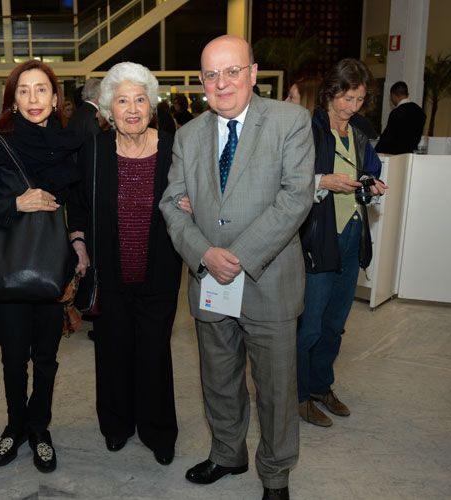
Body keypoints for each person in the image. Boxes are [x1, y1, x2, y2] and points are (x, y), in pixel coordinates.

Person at [160, 35, 315, 500]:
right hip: (210, 281)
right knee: (219, 380)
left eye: (232, 71)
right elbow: (171, 203)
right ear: (202, 81)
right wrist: (205, 254)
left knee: (275, 389)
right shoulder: (188, 135)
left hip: (269, 281)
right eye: (211, 74)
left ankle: (275, 475)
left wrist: (240, 256)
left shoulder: (290, 121)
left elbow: (295, 198)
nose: (221, 83)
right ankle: (228, 453)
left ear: (252, 73)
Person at [0, 60, 82, 474]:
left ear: (55, 98)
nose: (33, 99)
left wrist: (79, 245)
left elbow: (80, 204)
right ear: (12, 99)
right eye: (23, 91)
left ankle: (39, 427)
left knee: (47, 355)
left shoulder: (72, 145)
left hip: (54, 267)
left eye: (41, 90)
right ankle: (14, 425)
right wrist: (16, 203)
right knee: (14, 357)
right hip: (9, 269)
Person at [68, 62, 182, 465]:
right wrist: (79, 246)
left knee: (154, 353)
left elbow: (196, 198)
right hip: (109, 274)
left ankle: (158, 430)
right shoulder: (94, 150)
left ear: (151, 106)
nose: (132, 109)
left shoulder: (174, 148)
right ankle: (116, 425)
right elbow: (79, 206)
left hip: (161, 271)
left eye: (140, 100)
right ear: (106, 109)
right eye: (122, 101)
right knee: (113, 352)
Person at [297, 59, 387, 428]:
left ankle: (321, 385)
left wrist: (371, 187)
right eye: (347, 98)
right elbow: (289, 180)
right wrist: (323, 181)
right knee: (311, 325)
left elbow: (371, 170)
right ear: (331, 93)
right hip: (319, 236)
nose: (352, 107)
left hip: (351, 234)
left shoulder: (360, 131)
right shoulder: (308, 128)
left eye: (360, 99)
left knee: (335, 322)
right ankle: (297, 393)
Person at [375, 81, 427, 154]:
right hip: (410, 155)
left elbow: (387, 137)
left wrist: (375, 152)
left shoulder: (397, 113)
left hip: (394, 156)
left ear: (393, 95)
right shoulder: (420, 112)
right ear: (407, 94)